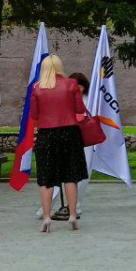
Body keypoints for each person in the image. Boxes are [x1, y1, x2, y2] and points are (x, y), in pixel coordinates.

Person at [30, 54, 87, 232]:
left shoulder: (37, 88)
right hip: (70, 133)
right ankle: (72, 215)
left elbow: (34, 114)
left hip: (46, 134)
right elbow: (80, 109)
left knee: (46, 179)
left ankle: (46, 218)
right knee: (71, 176)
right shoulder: (71, 84)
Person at [50, 71, 90, 222]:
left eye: (80, 87)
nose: (77, 90)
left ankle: (74, 205)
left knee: (77, 174)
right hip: (67, 137)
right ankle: (56, 204)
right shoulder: (65, 98)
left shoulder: (88, 99)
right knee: (64, 174)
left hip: (82, 138)